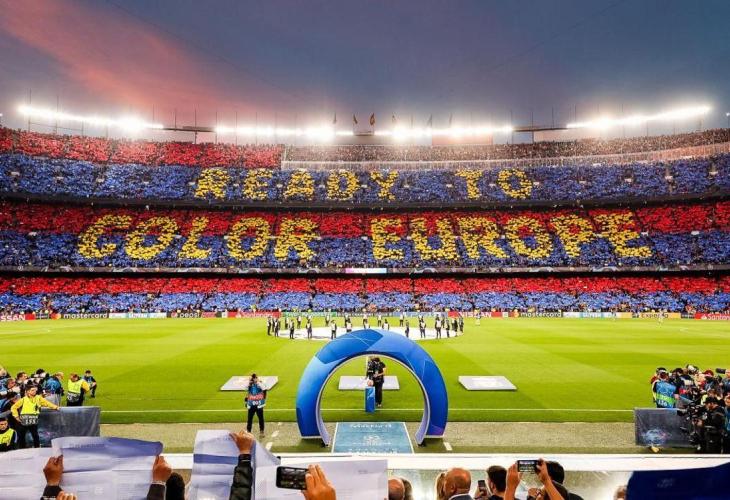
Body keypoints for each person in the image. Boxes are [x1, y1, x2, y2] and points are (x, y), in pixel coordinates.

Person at [10, 383, 60, 448]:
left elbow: (47, 403)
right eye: (32, 390)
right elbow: (13, 407)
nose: (34, 391)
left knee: (35, 436)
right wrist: (16, 416)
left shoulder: (38, 398)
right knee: (22, 436)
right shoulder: (23, 399)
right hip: (23, 421)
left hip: (33, 421)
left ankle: (37, 449)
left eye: (35, 390)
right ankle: (22, 449)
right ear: (28, 391)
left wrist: (56, 407)